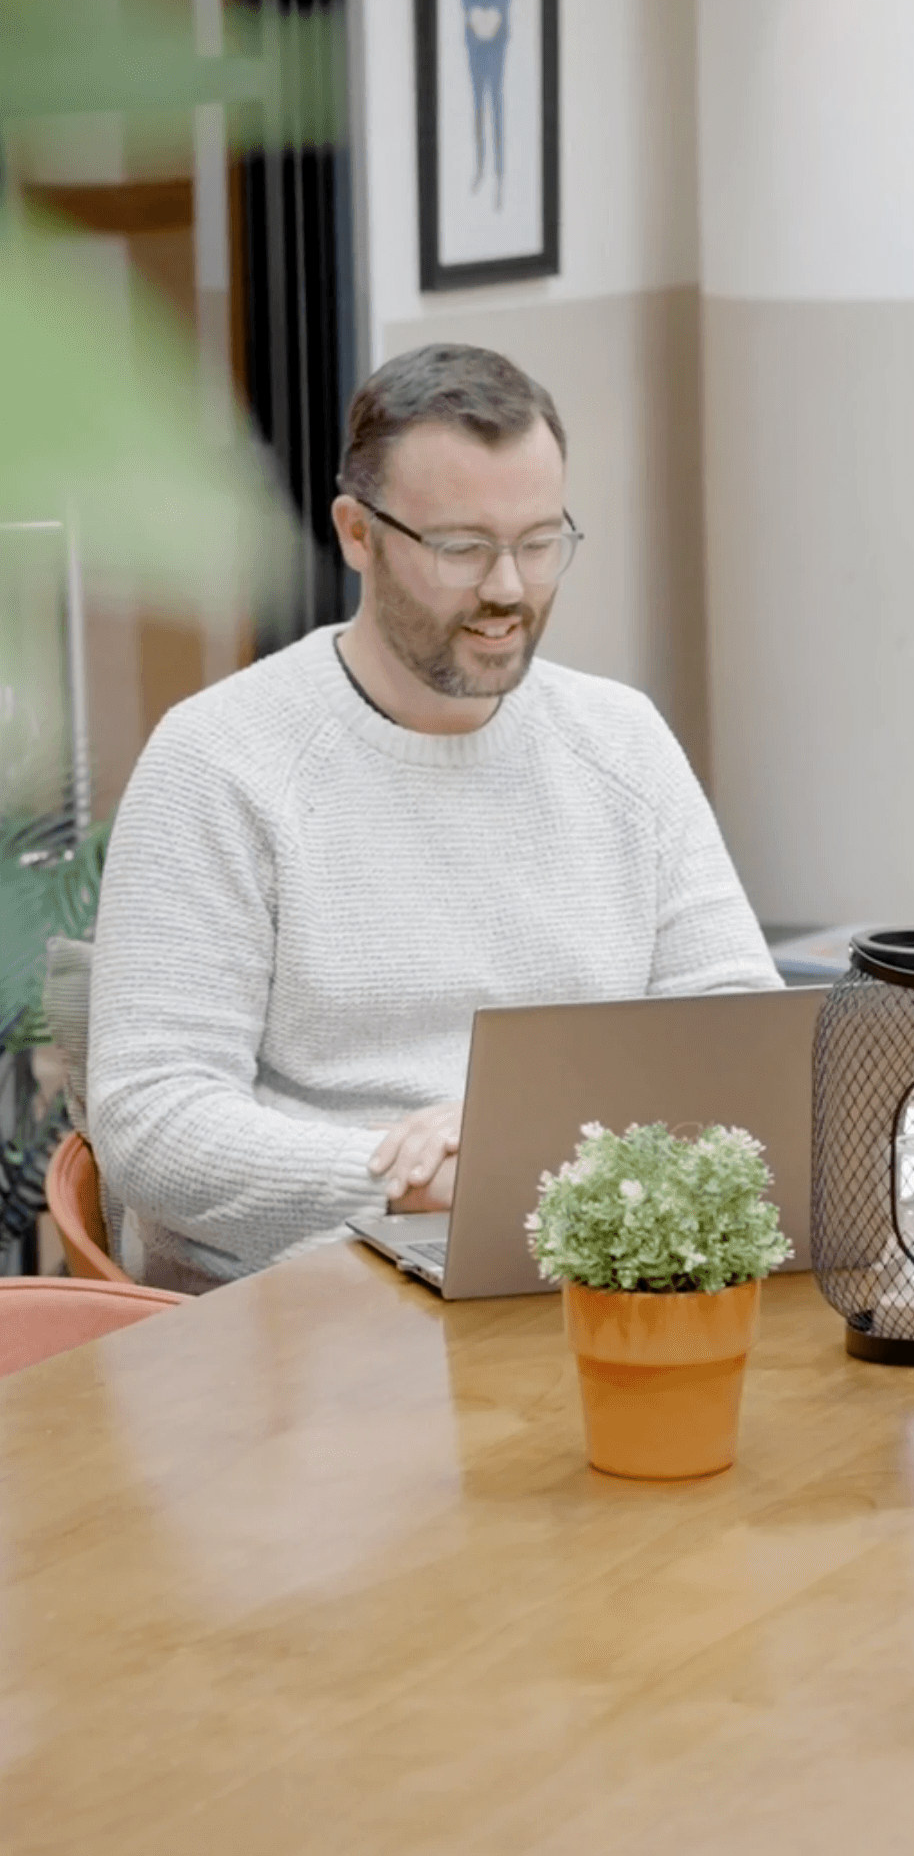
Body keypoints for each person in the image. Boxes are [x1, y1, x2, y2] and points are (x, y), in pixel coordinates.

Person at [87, 343, 780, 1290]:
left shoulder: (620, 741)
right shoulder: (220, 759)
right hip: (309, 1295)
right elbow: (153, 1122)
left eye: (539, 542)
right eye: (462, 548)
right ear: (358, 534)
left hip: (583, 1262)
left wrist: (518, 1146)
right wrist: (417, 1179)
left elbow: (735, 1037)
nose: (508, 588)